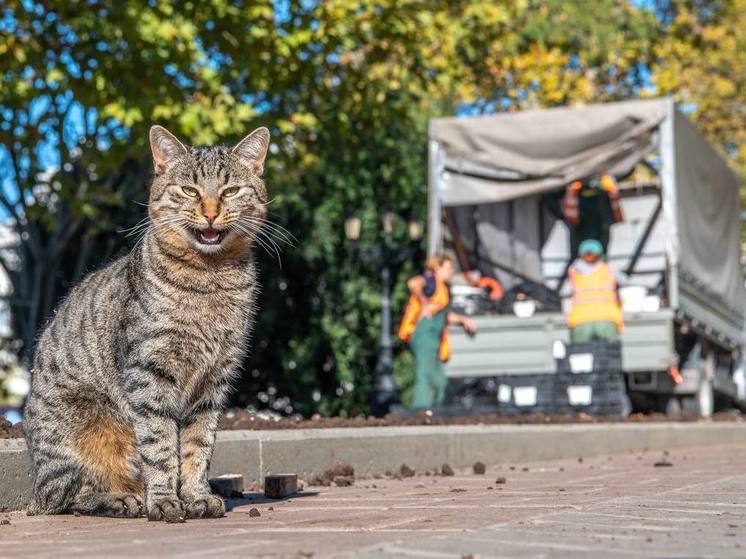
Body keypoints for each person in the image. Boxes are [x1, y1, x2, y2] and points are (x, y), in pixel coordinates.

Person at [398, 255, 477, 409]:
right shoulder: (431, 281)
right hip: (424, 333)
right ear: (437, 268)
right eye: (448, 268)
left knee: (440, 380)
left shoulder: (442, 288)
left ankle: (436, 409)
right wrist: (424, 302)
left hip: (434, 336)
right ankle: (421, 409)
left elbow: (441, 314)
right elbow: (413, 283)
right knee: (425, 374)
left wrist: (462, 319)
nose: (451, 271)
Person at [567, 239, 623, 343]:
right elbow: (627, 283)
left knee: (581, 356)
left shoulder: (573, 271)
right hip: (607, 319)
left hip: (580, 321)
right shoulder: (609, 269)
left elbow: (566, 294)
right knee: (610, 355)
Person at [563, 174, 624, 258]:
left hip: (601, 228)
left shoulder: (606, 182)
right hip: (581, 228)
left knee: (602, 255)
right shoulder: (574, 186)